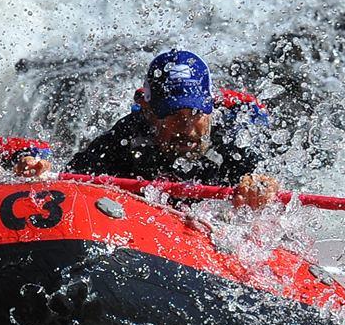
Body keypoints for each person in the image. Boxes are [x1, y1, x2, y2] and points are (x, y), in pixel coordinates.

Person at [62, 49, 279, 208]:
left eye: (196, 113)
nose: (187, 127)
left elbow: (265, 178)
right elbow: (68, 179)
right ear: (148, 112)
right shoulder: (129, 135)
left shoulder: (230, 135)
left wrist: (261, 186)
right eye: (173, 114)